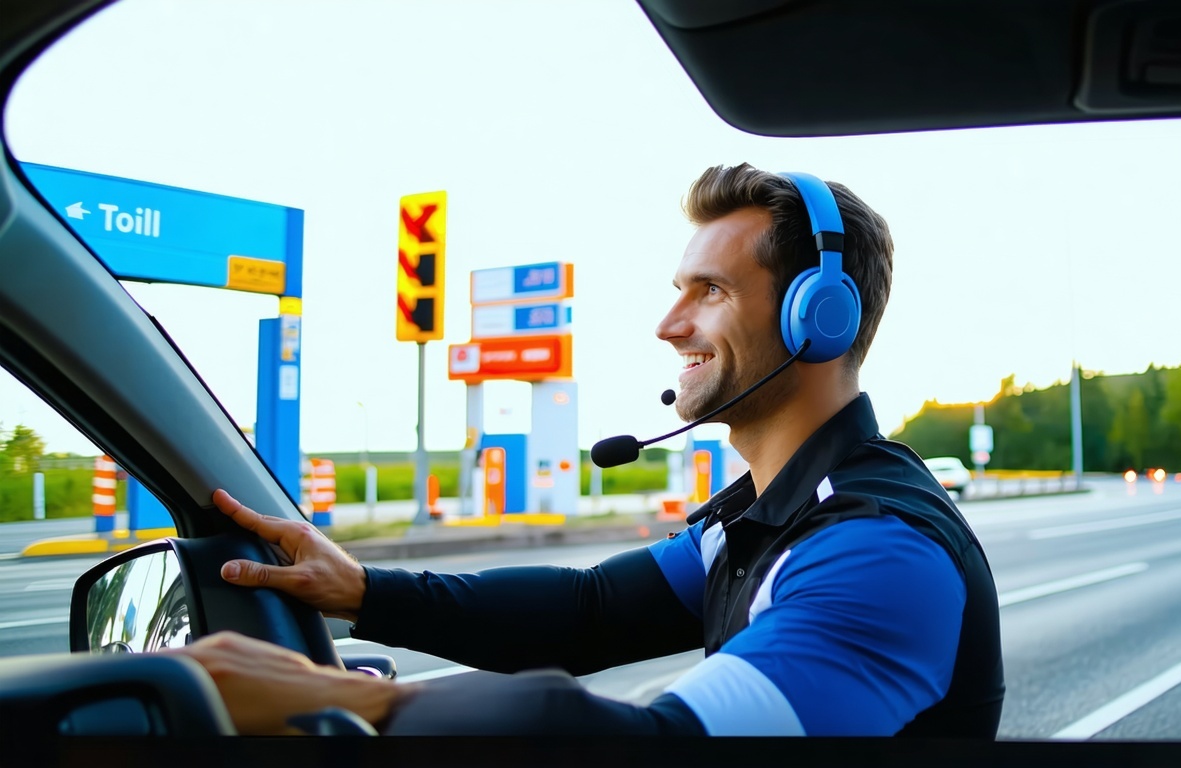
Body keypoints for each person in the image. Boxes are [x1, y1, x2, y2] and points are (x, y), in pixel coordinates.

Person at [173, 163, 1004, 737]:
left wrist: (350, 704)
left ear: (818, 317)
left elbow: (659, 741)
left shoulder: (876, 550)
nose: (668, 324)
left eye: (708, 290)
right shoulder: (766, 513)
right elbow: (587, 612)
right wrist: (358, 588)